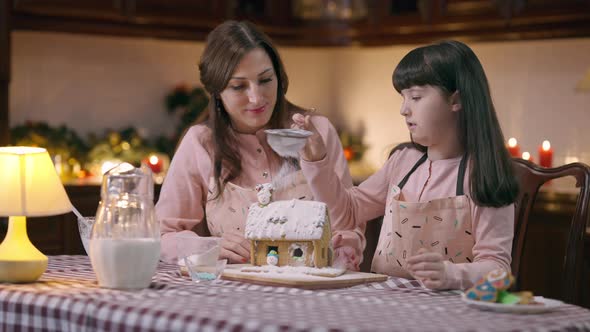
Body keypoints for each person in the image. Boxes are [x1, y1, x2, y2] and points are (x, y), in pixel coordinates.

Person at [293, 40, 518, 290]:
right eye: (403, 97)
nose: (403, 109)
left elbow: (498, 268)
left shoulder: (483, 174)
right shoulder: (402, 161)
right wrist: (316, 159)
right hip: (383, 304)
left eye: (416, 97)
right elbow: (347, 213)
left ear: (456, 100)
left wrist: (450, 274)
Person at [156, 20, 365, 268]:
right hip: (231, 295)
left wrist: (344, 248)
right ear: (217, 91)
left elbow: (350, 225)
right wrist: (210, 246)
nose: (256, 97)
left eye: (265, 80)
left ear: (279, 77)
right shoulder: (200, 143)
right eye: (238, 86)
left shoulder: (316, 131)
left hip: (316, 292)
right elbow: (162, 236)